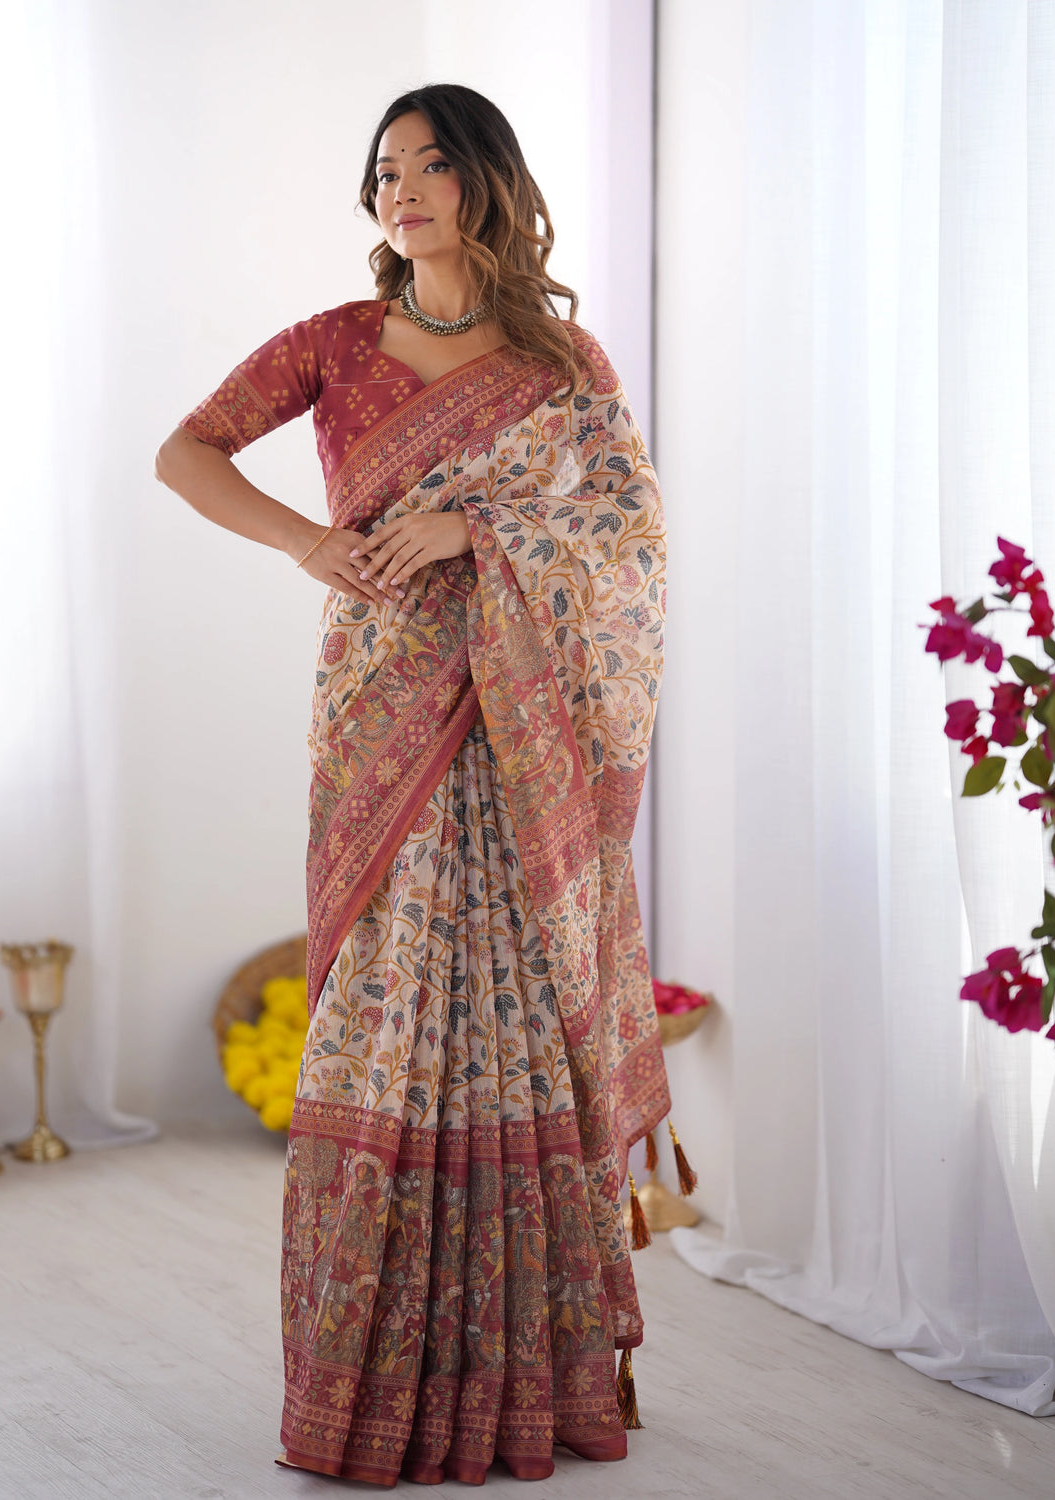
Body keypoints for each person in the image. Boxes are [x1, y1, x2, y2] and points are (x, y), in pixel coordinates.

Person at [154, 82, 670, 1489]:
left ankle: (525, 1380)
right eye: (386, 169)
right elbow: (184, 451)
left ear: (487, 181)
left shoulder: (566, 366)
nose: (404, 189)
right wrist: (315, 548)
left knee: (514, 1021)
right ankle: (369, 1376)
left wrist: (472, 530)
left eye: (433, 163)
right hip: (382, 709)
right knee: (380, 1025)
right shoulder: (333, 343)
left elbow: (624, 550)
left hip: (520, 733)